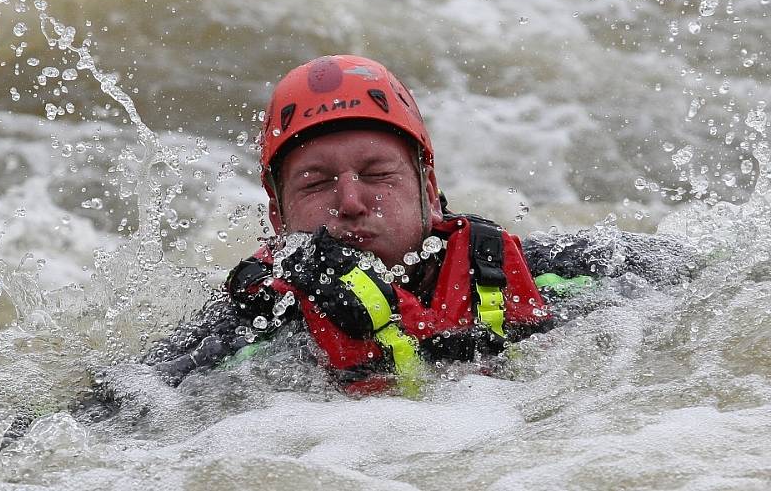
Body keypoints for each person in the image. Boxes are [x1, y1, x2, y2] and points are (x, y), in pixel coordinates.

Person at [141, 55, 698, 395]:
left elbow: (718, 275)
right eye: (315, 183)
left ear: (430, 193)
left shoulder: (534, 273)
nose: (351, 201)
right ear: (277, 215)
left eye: (377, 174)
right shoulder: (255, 325)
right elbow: (116, 406)